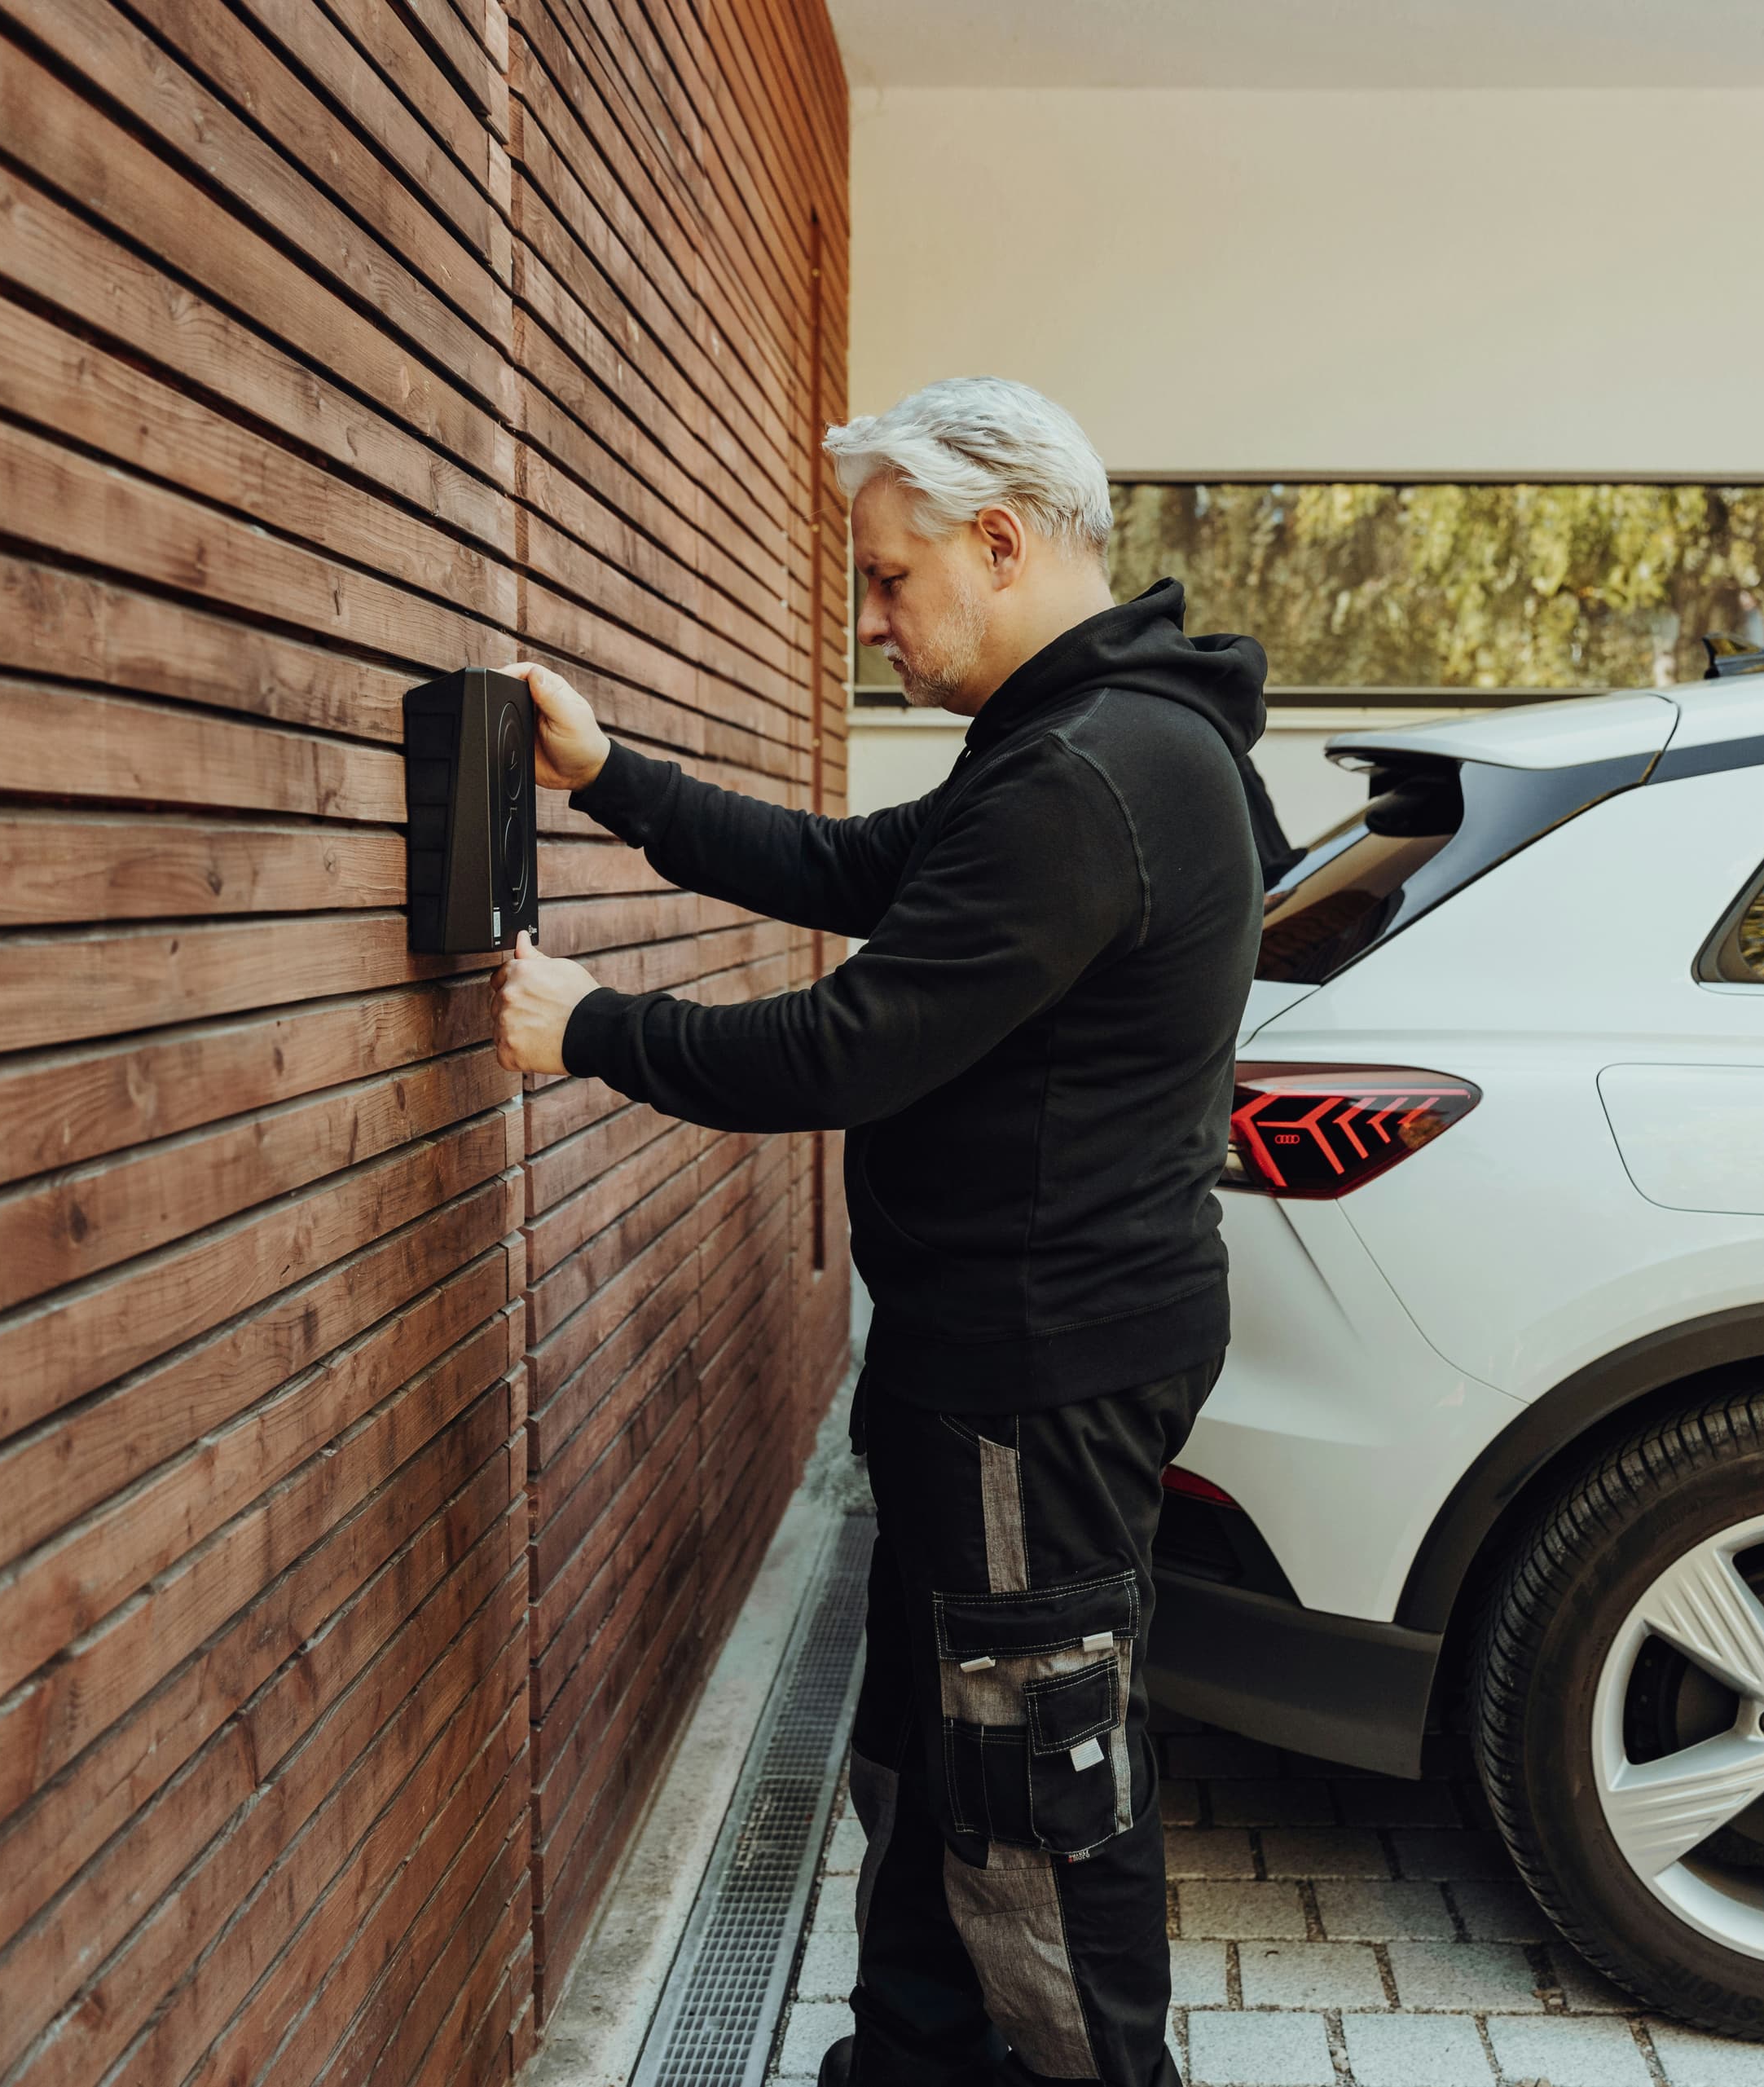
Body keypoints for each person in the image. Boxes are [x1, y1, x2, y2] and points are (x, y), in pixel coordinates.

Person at [490, 377, 1286, 2086]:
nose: (870, 622)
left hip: (1030, 1374)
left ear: (998, 542)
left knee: (1034, 1792)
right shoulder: (1089, 742)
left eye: (887, 580)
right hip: (1006, 1361)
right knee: (943, 1760)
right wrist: (611, 777)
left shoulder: (1096, 771)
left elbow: (854, 1045)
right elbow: (859, 871)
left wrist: (592, 1027)